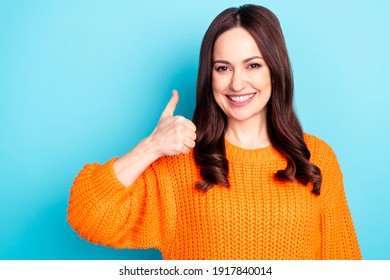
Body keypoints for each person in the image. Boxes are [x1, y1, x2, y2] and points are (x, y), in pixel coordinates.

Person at [67, 4, 361, 260]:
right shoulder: (180, 161)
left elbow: (343, 262)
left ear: (275, 69)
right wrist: (151, 148)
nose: (237, 84)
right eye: (223, 68)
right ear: (210, 75)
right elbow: (87, 215)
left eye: (253, 65)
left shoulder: (316, 158)